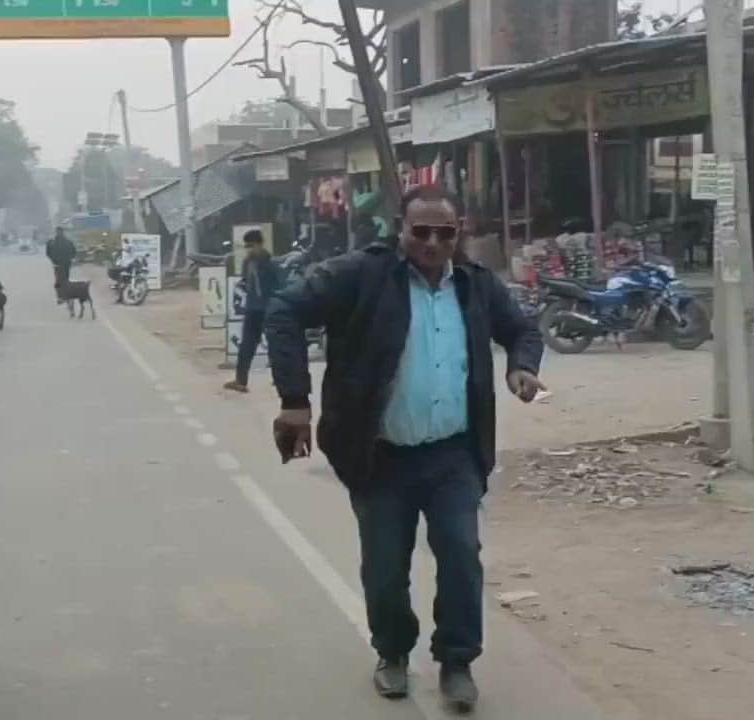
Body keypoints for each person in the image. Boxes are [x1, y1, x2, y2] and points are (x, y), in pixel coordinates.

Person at [266, 185, 546, 712]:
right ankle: (392, 652)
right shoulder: (362, 275)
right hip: (380, 455)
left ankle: (457, 660)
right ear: (400, 230)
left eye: (445, 233)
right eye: (421, 232)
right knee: (385, 565)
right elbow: (284, 309)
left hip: (454, 454)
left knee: (461, 555)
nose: (433, 243)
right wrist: (295, 400)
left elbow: (522, 329)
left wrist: (522, 366)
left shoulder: (477, 285)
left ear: (458, 233)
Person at [224, 229, 281, 394]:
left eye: (251, 245)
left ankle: (279, 378)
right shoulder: (247, 262)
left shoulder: (270, 263)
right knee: (246, 346)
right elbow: (245, 283)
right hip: (252, 309)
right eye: (247, 246)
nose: (249, 249)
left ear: (259, 244)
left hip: (268, 309)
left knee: (275, 345)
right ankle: (241, 381)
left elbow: (277, 286)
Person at [46, 226, 76, 302]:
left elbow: (48, 253)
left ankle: (60, 296)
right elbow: (74, 252)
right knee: (65, 278)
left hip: (58, 264)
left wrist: (53, 260)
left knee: (59, 280)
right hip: (66, 263)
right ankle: (66, 294)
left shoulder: (51, 242)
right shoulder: (68, 241)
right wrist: (70, 259)